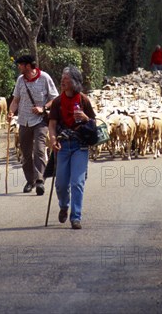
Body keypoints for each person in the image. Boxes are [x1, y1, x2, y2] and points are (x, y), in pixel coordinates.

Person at [48, 66, 96, 230]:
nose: (62, 80)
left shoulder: (84, 100)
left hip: (80, 146)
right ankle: (64, 205)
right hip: (62, 146)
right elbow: (52, 124)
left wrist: (85, 117)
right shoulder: (57, 102)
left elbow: (94, 123)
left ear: (75, 82)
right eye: (62, 77)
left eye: (66, 78)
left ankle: (76, 217)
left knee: (77, 182)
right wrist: (53, 139)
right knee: (61, 184)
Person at [8, 55, 58, 196]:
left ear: (28, 66)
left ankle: (40, 180)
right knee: (25, 152)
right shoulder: (20, 80)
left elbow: (54, 98)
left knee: (39, 149)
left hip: (40, 121)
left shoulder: (45, 78)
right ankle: (30, 180)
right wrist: (10, 112)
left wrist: (43, 108)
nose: (18, 67)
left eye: (20, 65)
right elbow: (16, 100)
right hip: (24, 121)